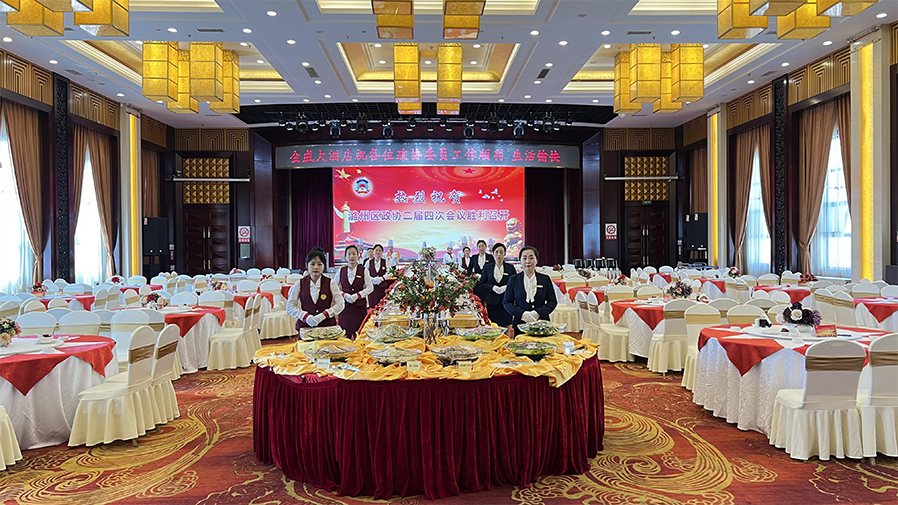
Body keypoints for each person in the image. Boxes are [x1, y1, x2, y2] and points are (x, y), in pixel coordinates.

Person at [286, 248, 345, 331]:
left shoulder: (331, 283)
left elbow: (340, 304)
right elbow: (290, 306)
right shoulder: (299, 283)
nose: (316, 267)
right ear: (306, 265)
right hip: (306, 327)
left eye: (319, 264)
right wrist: (305, 316)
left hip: (327, 327)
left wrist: (324, 315)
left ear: (324, 266)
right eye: (312, 264)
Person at [503, 246, 557, 334]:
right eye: (524, 258)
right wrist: (522, 314)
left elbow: (552, 302)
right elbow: (507, 302)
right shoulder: (514, 279)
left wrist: (538, 313)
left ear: (537, 260)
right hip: (520, 325)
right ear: (520, 261)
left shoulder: (545, 279)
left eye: (531, 258)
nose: (528, 261)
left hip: (542, 324)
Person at [474, 243, 516, 329]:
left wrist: (506, 287)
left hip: (506, 302)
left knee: (507, 327)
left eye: (501, 252)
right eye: (496, 252)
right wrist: (492, 288)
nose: (499, 255)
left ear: (505, 254)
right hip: (492, 302)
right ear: (493, 254)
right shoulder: (488, 267)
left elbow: (515, 284)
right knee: (493, 328)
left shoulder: (510, 268)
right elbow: (481, 284)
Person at [338, 245, 373, 339]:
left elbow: (370, 287)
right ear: (345, 256)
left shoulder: (364, 270)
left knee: (360, 334)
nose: (351, 256)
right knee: (345, 335)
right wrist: (344, 295)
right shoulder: (341, 271)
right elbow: (334, 288)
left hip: (359, 307)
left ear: (358, 256)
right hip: (345, 308)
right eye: (349, 254)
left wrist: (358, 295)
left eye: (354, 254)